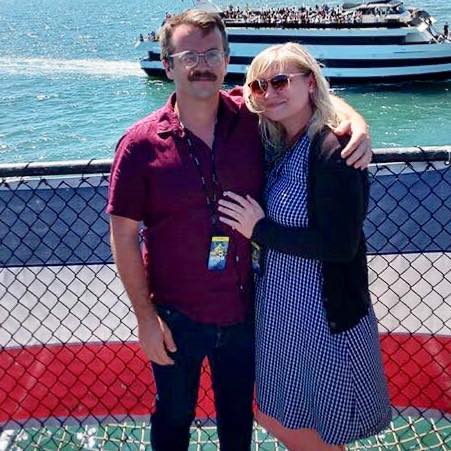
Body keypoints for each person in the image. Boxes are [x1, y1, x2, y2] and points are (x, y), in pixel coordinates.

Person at [107, 10, 372, 451]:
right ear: (168, 64)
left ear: (227, 60)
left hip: (246, 311)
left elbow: (309, 101)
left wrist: (355, 121)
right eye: (189, 54)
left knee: (238, 422)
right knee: (172, 417)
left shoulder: (250, 117)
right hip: (176, 315)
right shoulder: (140, 145)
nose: (201, 64)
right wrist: (144, 318)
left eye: (212, 53)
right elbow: (123, 234)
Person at [218, 42, 392, 451]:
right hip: (284, 311)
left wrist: (259, 230)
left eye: (281, 81)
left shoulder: (333, 150)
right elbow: (214, 97)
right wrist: (353, 114)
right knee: (280, 411)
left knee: (318, 425)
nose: (269, 93)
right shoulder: (279, 138)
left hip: (322, 315)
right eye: (259, 85)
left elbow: (339, 246)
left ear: (309, 83)